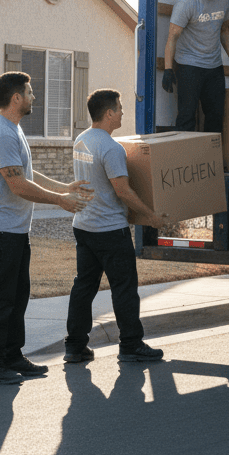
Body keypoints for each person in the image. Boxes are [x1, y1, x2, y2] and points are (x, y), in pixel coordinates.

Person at [0, 71, 94, 385]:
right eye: (29, 91)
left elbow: (27, 174)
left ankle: (11, 355)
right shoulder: (1, 133)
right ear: (16, 98)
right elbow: (17, 185)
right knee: (0, 297)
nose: (33, 96)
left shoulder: (12, 129)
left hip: (12, 229)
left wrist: (63, 187)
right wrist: (60, 201)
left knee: (17, 294)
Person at [64, 88, 169, 364]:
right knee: (124, 288)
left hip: (84, 224)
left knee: (84, 286)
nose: (123, 112)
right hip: (109, 229)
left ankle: (75, 345)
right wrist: (151, 216)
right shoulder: (111, 148)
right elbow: (123, 191)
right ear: (109, 113)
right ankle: (131, 344)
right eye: (120, 108)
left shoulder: (81, 140)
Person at [161, 0, 229, 133]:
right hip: (189, 66)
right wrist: (168, 69)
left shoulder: (223, 0)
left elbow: (224, 30)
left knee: (216, 116)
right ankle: (185, 158)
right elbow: (172, 37)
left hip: (214, 66)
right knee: (187, 116)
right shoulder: (186, 3)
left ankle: (210, 157)